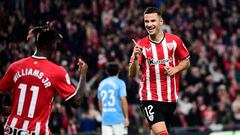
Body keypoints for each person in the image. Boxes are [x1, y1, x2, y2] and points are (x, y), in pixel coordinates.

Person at [0, 22, 88, 135]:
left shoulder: (15, 66)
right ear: (51, 45)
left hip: (11, 130)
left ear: (36, 44)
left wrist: (2, 109)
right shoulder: (57, 72)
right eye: (55, 44)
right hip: (36, 131)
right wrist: (83, 75)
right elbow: (77, 101)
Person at [129, 7, 190, 135]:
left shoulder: (174, 41)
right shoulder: (141, 46)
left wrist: (176, 69)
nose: (149, 24)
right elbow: (132, 74)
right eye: (146, 21)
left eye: (153, 21)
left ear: (161, 21)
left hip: (170, 99)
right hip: (149, 97)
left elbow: (186, 62)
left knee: (156, 132)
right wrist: (135, 58)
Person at [98, 62, 129, 135]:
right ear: (118, 71)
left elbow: (100, 101)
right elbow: (123, 100)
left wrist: (103, 114)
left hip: (105, 118)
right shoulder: (120, 83)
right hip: (117, 118)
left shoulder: (101, 83)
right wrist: (126, 117)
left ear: (107, 71)